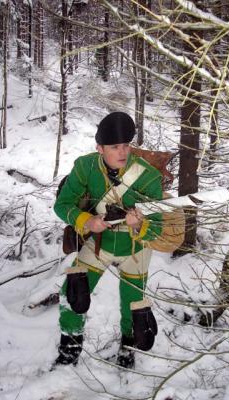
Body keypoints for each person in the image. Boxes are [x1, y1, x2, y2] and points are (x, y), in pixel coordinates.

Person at [53, 111, 163, 368]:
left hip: (135, 249)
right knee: (72, 296)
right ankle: (70, 348)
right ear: (99, 148)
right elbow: (63, 205)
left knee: (133, 307)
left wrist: (141, 225)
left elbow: (156, 228)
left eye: (126, 145)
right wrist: (87, 221)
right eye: (115, 147)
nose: (123, 152)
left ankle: (127, 349)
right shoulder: (85, 167)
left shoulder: (147, 176)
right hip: (99, 244)